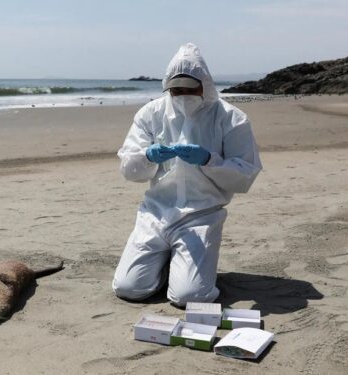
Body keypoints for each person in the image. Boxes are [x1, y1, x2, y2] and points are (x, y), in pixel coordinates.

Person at [112, 43, 262, 307]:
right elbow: (128, 168)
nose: (183, 95)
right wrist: (147, 157)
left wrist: (208, 160)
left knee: (189, 297)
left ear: (204, 84)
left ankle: (186, 267)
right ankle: (169, 262)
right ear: (167, 87)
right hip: (155, 212)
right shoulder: (151, 113)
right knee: (129, 288)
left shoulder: (230, 117)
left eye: (190, 88)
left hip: (201, 214)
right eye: (176, 89)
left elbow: (245, 175)